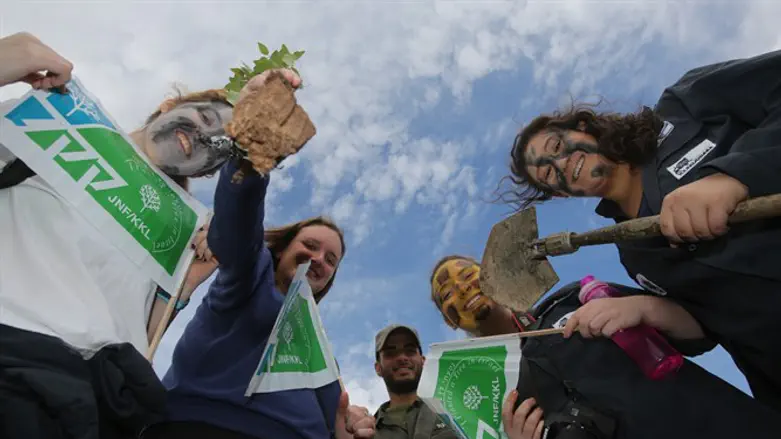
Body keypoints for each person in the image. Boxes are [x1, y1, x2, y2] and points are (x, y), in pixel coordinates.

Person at [505, 48, 781, 412]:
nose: (560, 163)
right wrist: (647, 309)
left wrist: (733, 176)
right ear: (561, 192)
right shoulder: (633, 255)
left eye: (556, 146)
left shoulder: (683, 105)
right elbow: (707, 330)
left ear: (581, 128)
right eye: (548, 173)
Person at [0, 32, 222, 439]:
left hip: (97, 401)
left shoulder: (179, 229)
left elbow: (143, 332)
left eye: (220, 146)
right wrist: (11, 57)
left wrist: (185, 284)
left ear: (206, 171)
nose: (206, 137)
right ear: (169, 106)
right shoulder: (61, 117)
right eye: (207, 118)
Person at [141, 68, 375, 439]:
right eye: (310, 246)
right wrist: (251, 154)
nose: (319, 259)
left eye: (331, 260)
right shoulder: (250, 275)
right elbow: (236, 229)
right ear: (281, 249)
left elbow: (339, 418)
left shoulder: (317, 343)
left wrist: (351, 424)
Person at [429, 255, 781, 439]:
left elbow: (701, 332)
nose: (461, 289)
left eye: (466, 274)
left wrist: (644, 308)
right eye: (447, 294)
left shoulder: (575, 300)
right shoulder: (486, 395)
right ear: (449, 320)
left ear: (489, 270)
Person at [372, 324, 460, 439]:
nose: (402, 358)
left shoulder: (456, 409)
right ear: (378, 368)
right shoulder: (367, 431)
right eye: (391, 353)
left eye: (410, 351)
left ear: (423, 361)